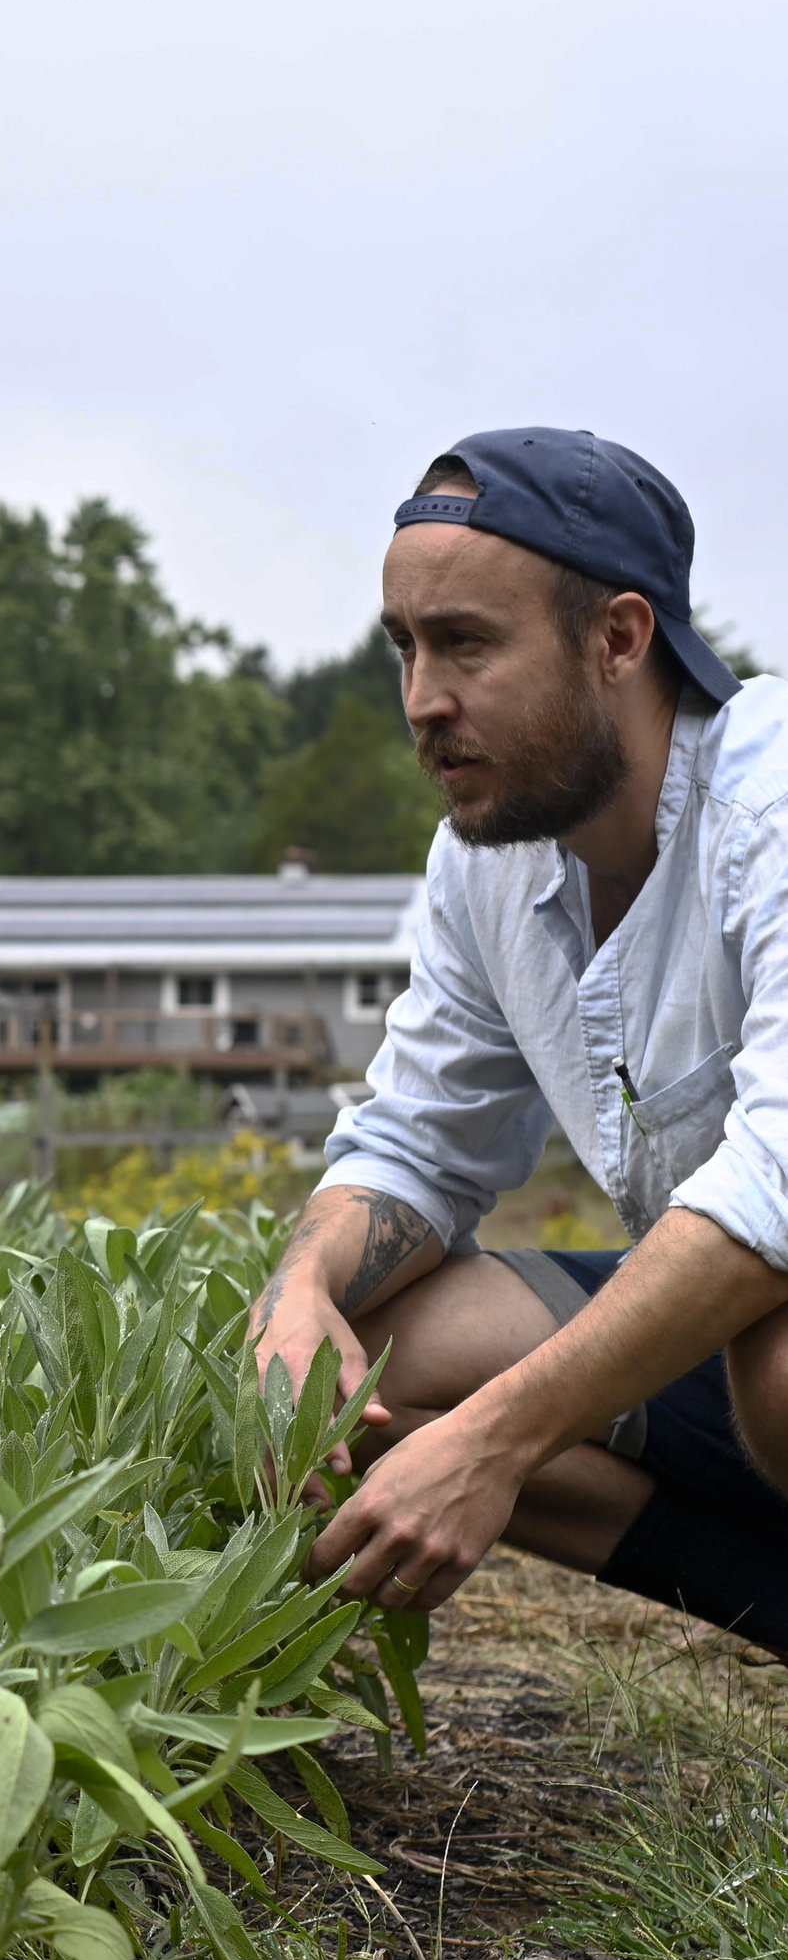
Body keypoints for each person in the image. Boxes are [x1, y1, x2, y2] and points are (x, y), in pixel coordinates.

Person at [249, 427, 788, 1657]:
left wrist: (492, 1443)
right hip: (732, 1329)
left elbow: (776, 1188)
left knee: (779, 1356)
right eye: (405, 646)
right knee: (384, 1353)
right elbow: (415, 1144)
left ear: (618, 639)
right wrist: (298, 1294)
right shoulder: (487, 862)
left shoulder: (769, 805)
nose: (421, 701)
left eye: (467, 644)